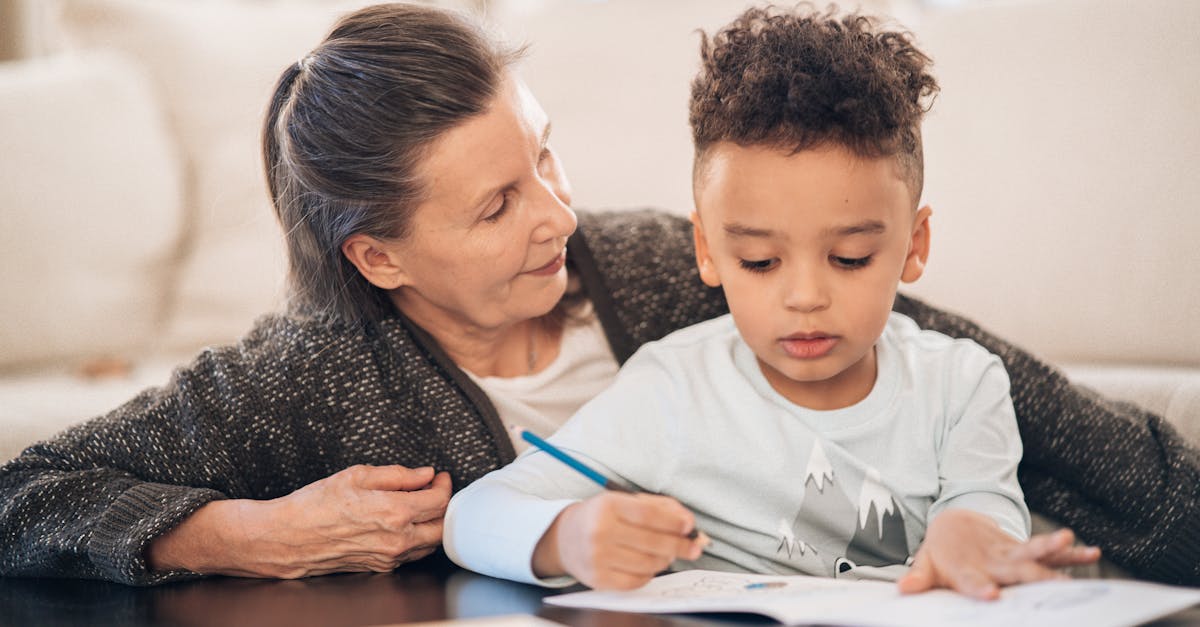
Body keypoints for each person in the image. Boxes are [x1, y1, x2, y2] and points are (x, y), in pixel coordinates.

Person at [0, 2, 1195, 588]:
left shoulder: (655, 265)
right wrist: (245, 534)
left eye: (547, 159)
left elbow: (987, 377)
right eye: (494, 208)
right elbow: (26, 498)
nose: (558, 217)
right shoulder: (306, 374)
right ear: (381, 259)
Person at [442, 5, 1101, 599]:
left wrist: (968, 532)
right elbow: (472, 514)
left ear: (913, 245)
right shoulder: (670, 392)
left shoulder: (963, 385)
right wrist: (568, 533)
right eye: (759, 261)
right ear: (706, 250)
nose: (806, 297)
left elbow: (986, 506)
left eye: (850, 258)